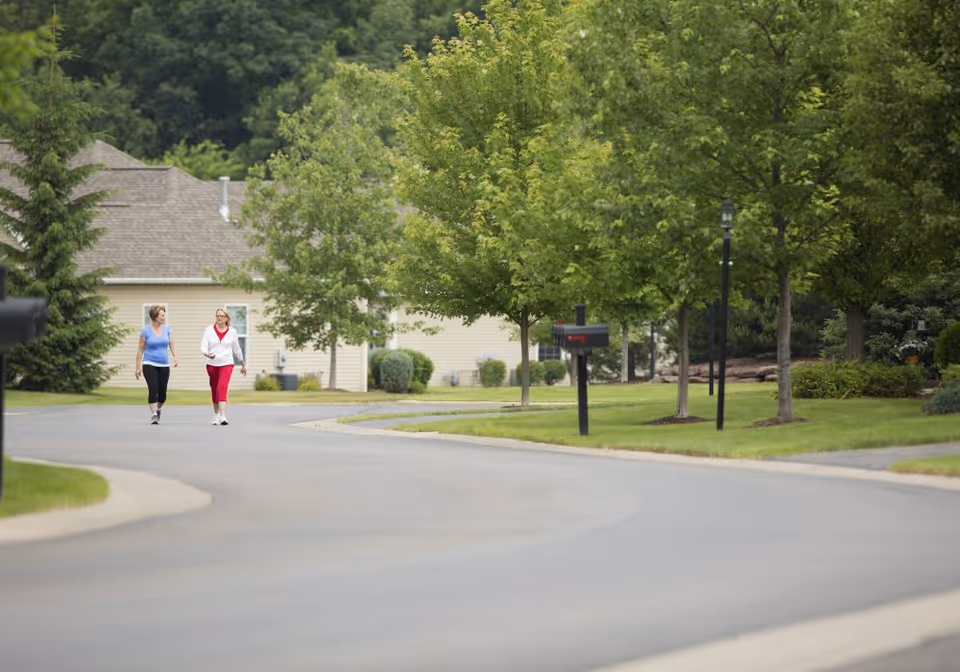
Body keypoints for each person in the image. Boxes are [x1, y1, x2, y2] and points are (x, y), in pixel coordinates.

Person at [200, 306, 247, 425]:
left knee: (222, 387)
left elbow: (236, 349)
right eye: (217, 316)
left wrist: (242, 363)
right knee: (214, 388)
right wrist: (206, 354)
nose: (219, 318)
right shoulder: (209, 330)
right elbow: (203, 346)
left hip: (227, 363)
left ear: (226, 318)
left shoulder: (232, 332)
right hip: (212, 364)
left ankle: (223, 416)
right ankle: (216, 415)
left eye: (221, 316)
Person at [135, 305, 179, 424]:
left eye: (164, 314)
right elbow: (140, 350)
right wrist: (138, 367)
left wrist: (175, 357)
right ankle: (154, 414)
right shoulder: (146, 331)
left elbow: (171, 343)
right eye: (161, 315)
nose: (164, 317)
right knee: (153, 389)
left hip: (164, 364)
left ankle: (158, 410)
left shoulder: (167, 329)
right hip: (149, 363)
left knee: (163, 394)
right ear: (155, 316)